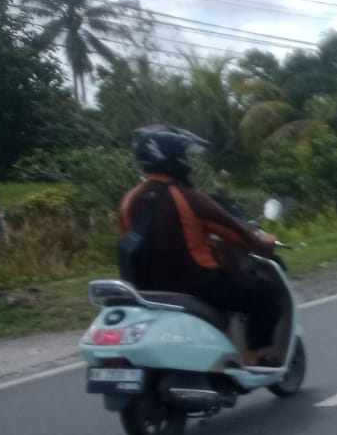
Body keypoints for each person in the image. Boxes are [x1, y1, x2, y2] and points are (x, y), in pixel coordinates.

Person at [119, 124, 286, 368]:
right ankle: (253, 357)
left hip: (146, 289)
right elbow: (235, 233)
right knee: (268, 294)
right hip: (198, 285)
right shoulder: (187, 197)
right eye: (183, 155)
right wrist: (263, 244)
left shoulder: (129, 200)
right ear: (173, 157)